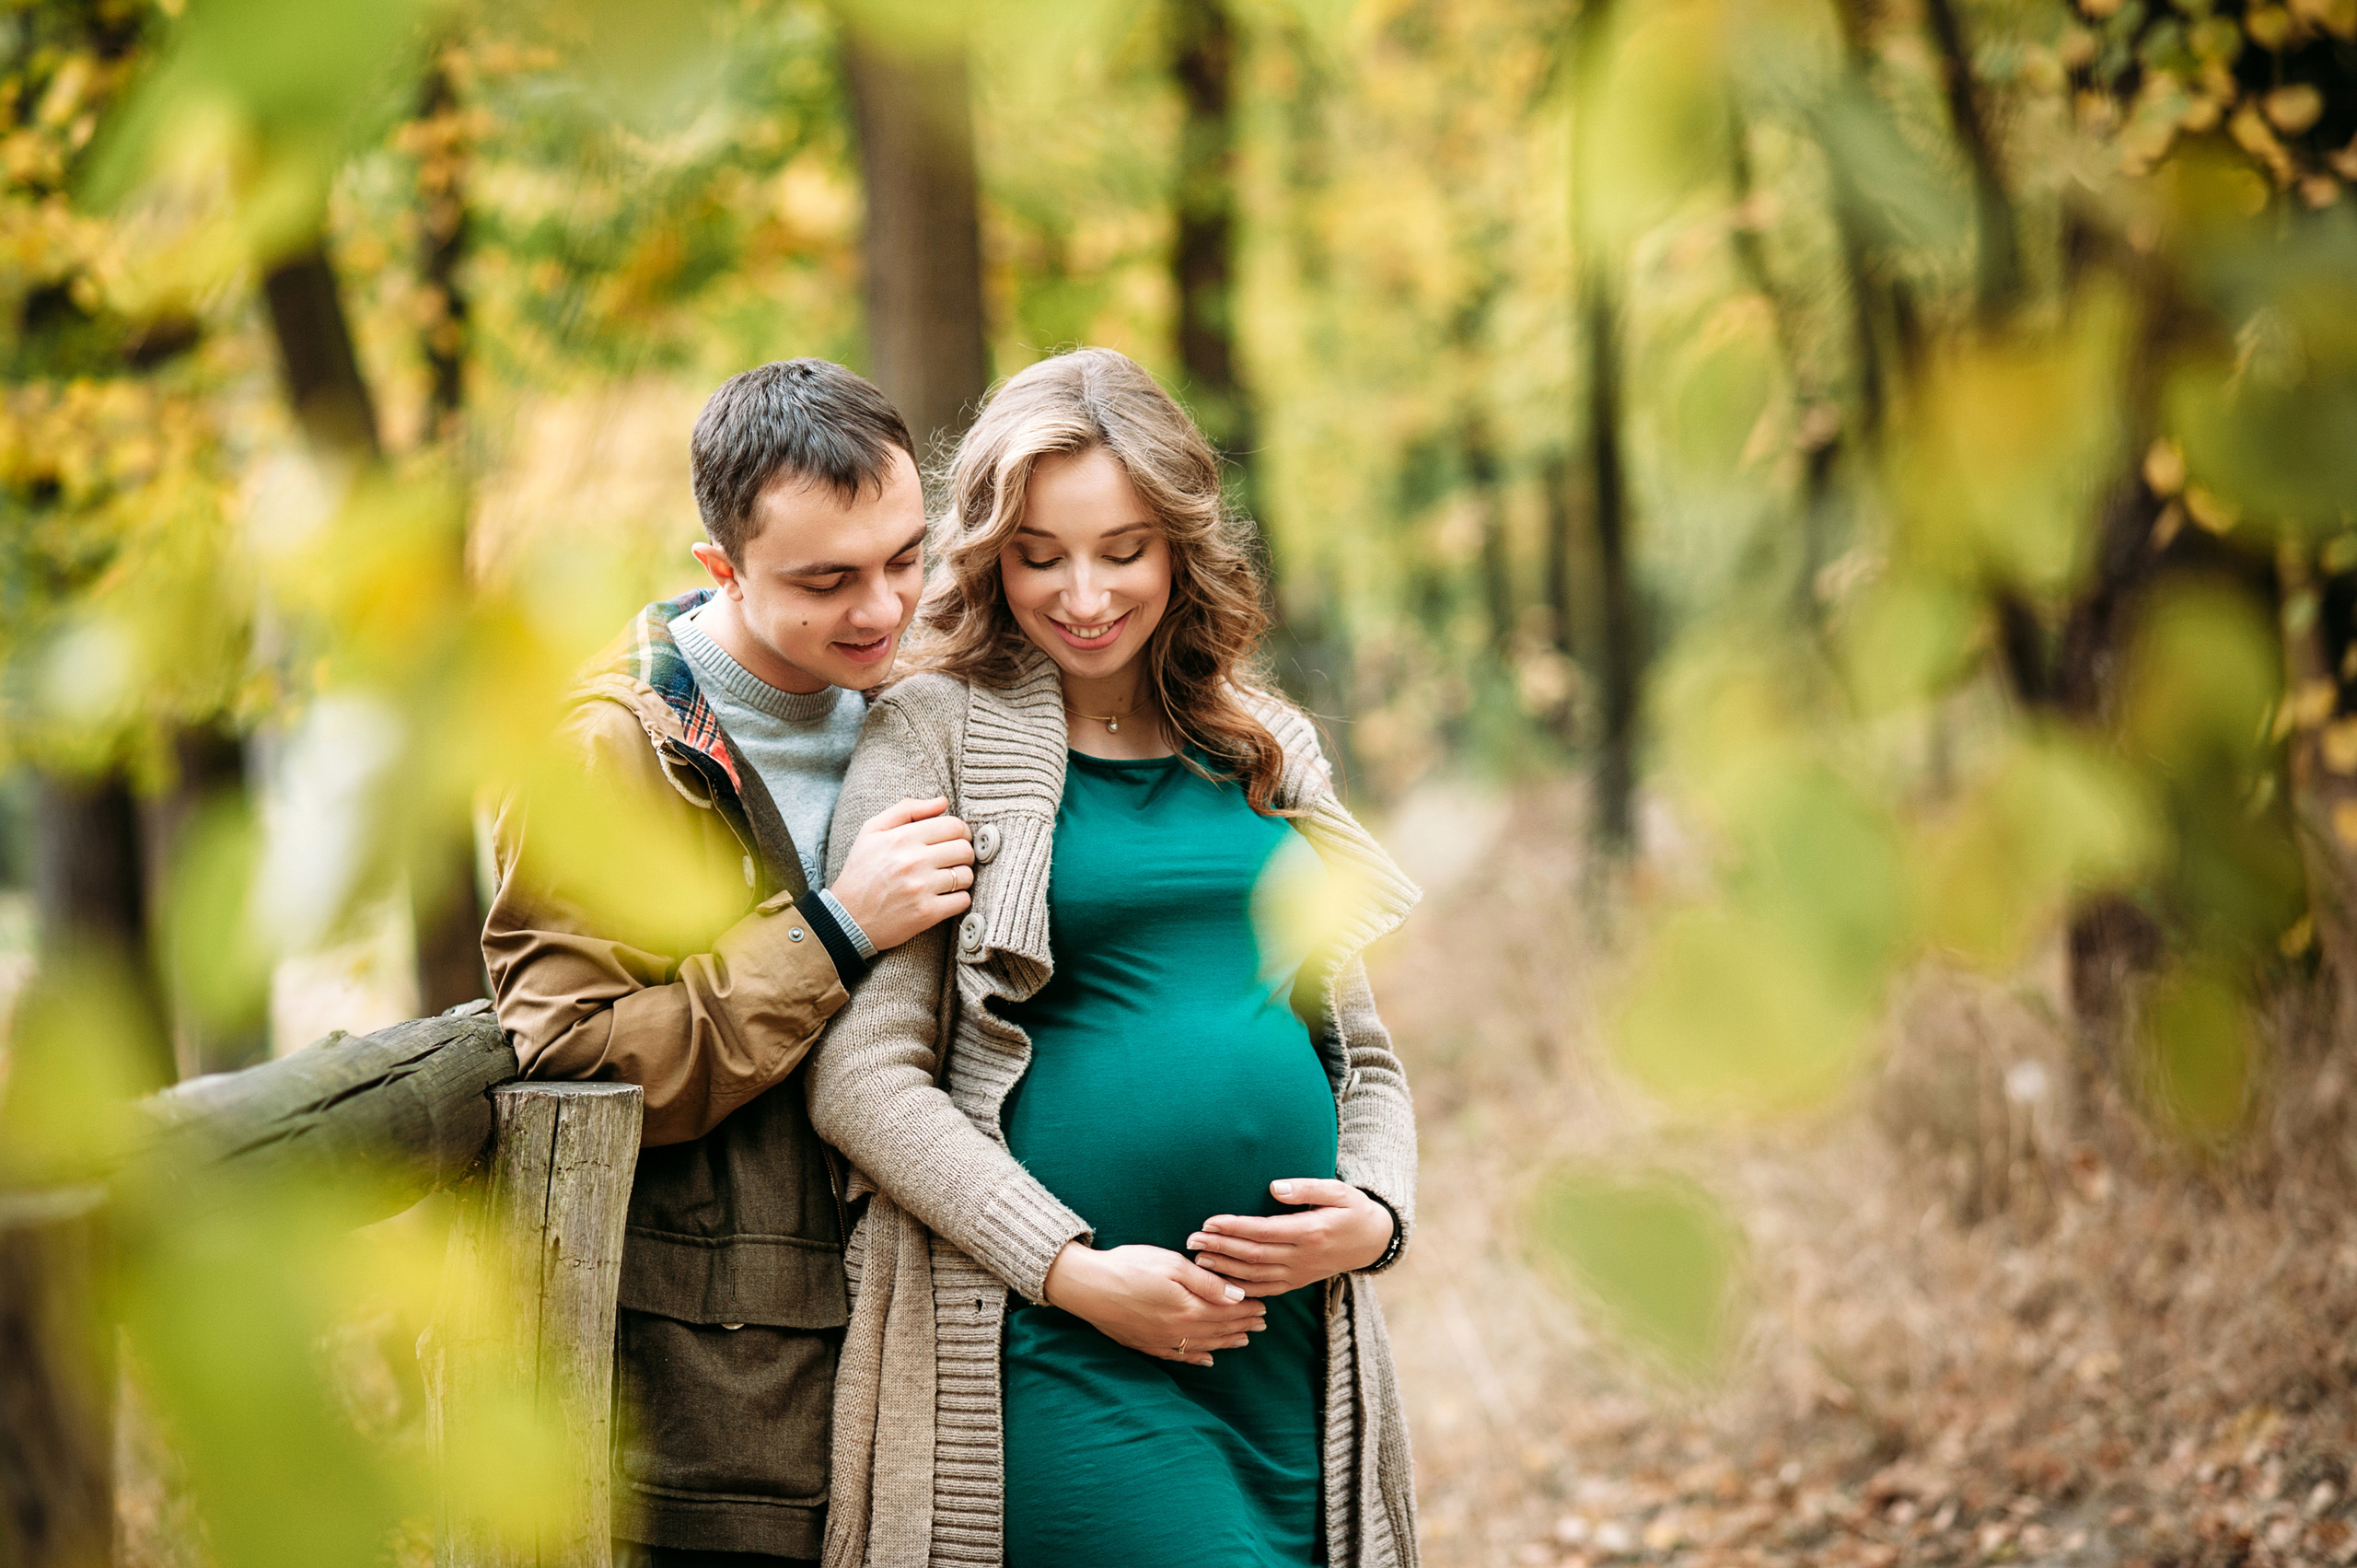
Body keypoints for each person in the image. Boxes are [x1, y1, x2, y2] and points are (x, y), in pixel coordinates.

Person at [808, 347, 1422, 1568]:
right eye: (1040, 556)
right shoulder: (931, 734)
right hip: (1060, 1340)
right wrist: (1070, 1270)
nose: (1083, 594)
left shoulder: (1266, 745)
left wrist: (1377, 1215)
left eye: (1122, 550)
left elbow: (1361, 1061)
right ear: (994, 555)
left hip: (1287, 1356)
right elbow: (862, 1080)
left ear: (1180, 546)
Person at [482, 359, 978, 1568]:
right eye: (826, 581)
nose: (882, 608)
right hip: (731, 1400)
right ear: (724, 567)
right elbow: (571, 1056)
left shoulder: (932, 698)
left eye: (905, 558)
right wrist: (835, 930)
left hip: (942, 1359)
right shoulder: (604, 758)